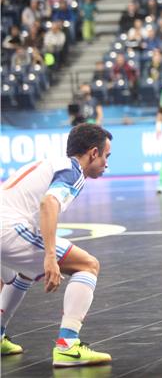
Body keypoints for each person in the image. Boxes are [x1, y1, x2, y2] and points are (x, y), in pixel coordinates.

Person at [0, 123, 113, 366]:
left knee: (23, 272)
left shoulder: (50, 163)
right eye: (106, 156)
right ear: (93, 153)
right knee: (88, 265)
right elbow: (49, 204)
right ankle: (67, 347)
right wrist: (50, 257)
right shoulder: (73, 171)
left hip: (4, 224)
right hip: (6, 229)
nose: (107, 164)